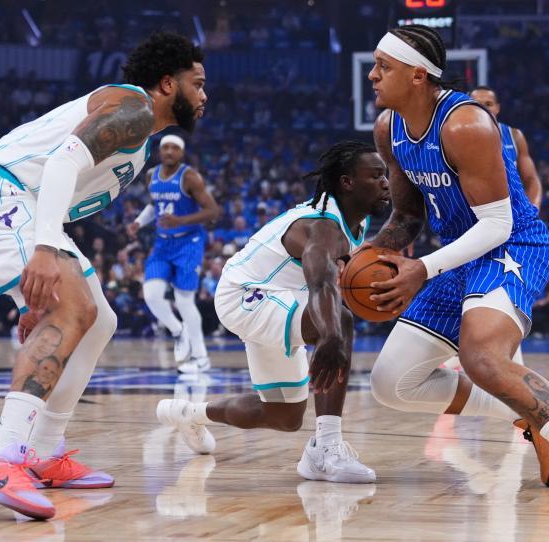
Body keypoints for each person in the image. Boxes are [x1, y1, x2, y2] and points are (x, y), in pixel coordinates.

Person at [365, 25, 549, 512]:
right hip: (460, 254)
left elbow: (498, 224)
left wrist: (422, 269)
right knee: (391, 382)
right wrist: (366, 254)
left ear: (417, 75)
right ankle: (535, 411)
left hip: (512, 245)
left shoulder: (465, 124)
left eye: (383, 66)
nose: (372, 75)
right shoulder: (388, 128)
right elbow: (408, 215)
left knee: (483, 358)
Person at [0, 32, 208, 519]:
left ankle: (43, 451)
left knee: (99, 320)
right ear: (168, 84)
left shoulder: (141, 143)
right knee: (73, 309)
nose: (204, 95)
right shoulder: (134, 107)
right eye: (198, 83)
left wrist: (36, 297)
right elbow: (63, 160)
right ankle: (0, 460)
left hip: (25, 206)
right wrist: (45, 247)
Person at [156, 140, 389, 483]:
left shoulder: (356, 221)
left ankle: (189, 414)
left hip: (279, 300)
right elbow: (322, 285)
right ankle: (326, 449)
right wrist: (331, 336)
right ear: (347, 182)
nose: (386, 183)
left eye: (386, 175)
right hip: (245, 295)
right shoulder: (322, 227)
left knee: (283, 415)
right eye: (376, 175)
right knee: (338, 320)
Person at [128, 133, 221, 373]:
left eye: (174, 148)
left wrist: (181, 220)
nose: (169, 151)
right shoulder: (151, 175)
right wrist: (138, 222)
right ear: (160, 151)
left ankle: (201, 358)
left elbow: (213, 211)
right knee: (151, 295)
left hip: (189, 242)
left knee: (184, 301)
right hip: (162, 243)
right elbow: (154, 205)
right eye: (165, 147)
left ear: (181, 152)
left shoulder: (190, 177)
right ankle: (179, 331)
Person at [469, 86, 542, 209]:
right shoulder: (453, 137)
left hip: (510, 214)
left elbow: (531, 180)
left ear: (497, 108)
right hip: (471, 214)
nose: (483, 108)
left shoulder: (515, 136)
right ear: (468, 108)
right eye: (477, 104)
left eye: (488, 104)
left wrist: (532, 212)